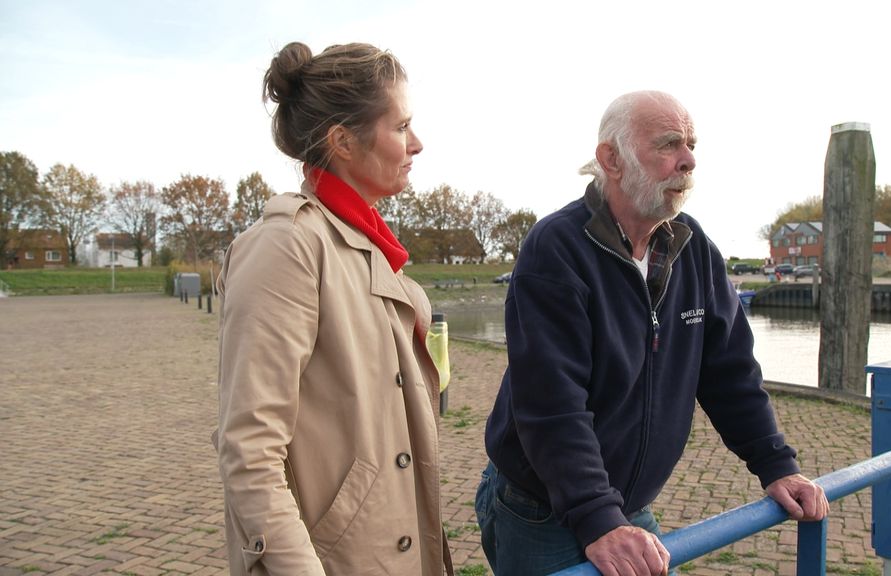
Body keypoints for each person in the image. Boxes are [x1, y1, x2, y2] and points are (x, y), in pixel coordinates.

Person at [475, 91, 828, 576]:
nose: (688, 161)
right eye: (668, 145)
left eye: (691, 145)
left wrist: (776, 463)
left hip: (623, 504)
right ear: (611, 159)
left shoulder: (693, 247)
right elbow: (552, 403)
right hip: (543, 507)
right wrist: (599, 520)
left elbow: (729, 372)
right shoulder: (556, 250)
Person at [216, 41, 451, 575]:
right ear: (343, 141)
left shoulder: (369, 248)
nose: (417, 143)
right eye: (400, 127)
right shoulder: (288, 247)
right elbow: (250, 451)